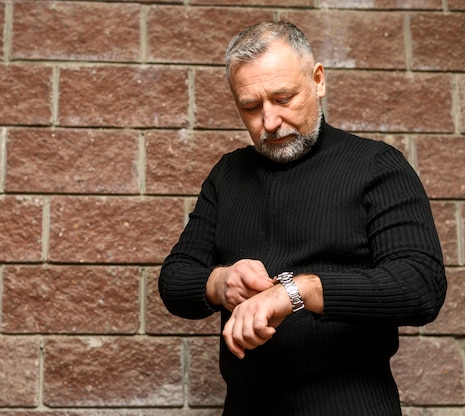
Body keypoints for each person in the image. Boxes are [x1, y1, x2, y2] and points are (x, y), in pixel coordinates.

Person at [158, 21, 447, 415]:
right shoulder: (227, 174)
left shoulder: (378, 166)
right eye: (251, 107)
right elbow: (175, 279)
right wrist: (218, 282)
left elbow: (420, 287)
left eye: (283, 98)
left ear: (318, 80)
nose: (270, 121)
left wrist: (296, 292)